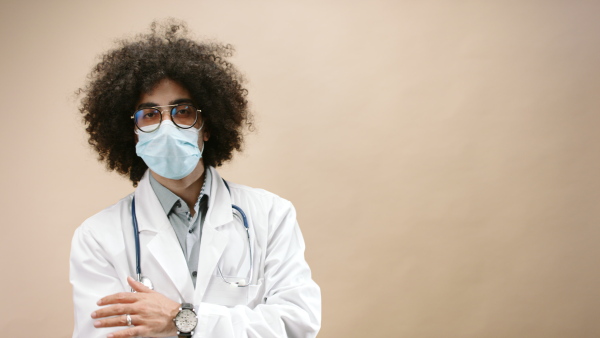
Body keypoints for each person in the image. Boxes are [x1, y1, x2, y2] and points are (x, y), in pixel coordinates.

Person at [70, 20, 321, 338]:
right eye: (149, 115)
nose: (167, 127)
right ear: (131, 135)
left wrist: (178, 318)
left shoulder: (271, 214)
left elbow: (296, 325)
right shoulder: (98, 237)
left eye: (183, 110)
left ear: (209, 125)